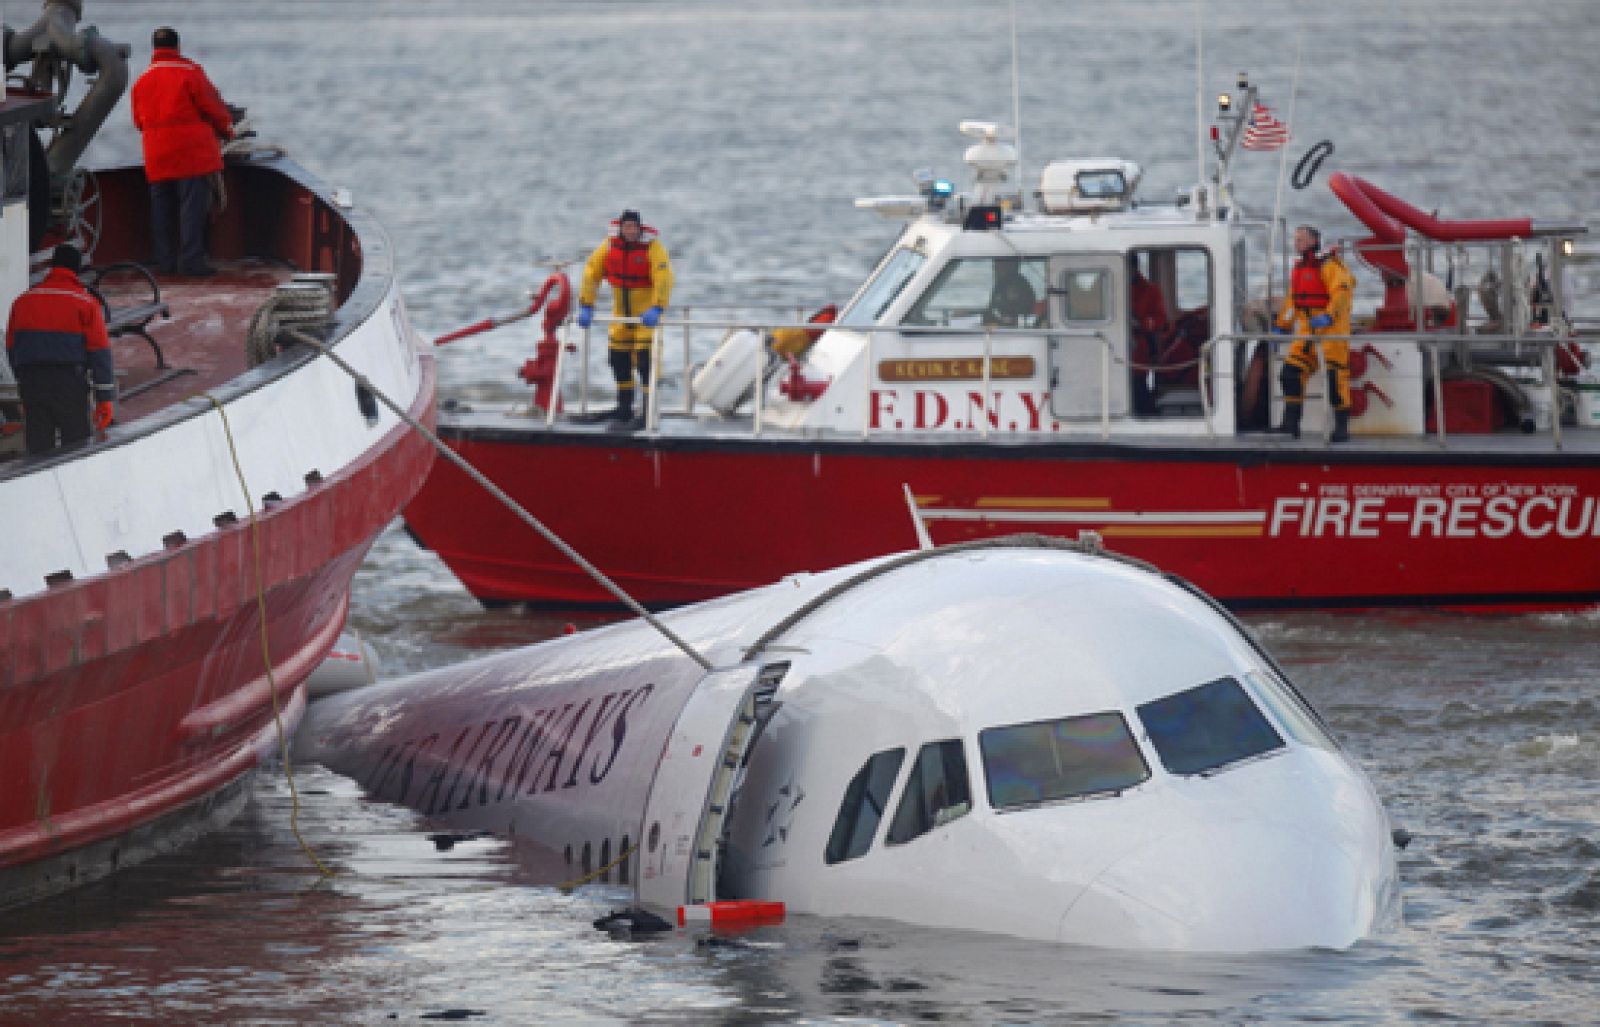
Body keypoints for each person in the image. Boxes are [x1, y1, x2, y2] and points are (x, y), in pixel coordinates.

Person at [130, 26, 234, 276]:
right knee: (192, 209)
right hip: (191, 154)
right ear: (177, 47)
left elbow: (138, 122)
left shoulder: (141, 81)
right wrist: (228, 130)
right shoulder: (190, 72)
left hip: (157, 154)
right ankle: (192, 262)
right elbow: (213, 107)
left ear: (154, 49)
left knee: (162, 210)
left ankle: (165, 262)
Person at [5, 244, 114, 455]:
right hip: (69, 384)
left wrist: (24, 383)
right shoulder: (85, 302)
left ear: (53, 266)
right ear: (77, 270)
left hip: (32, 383)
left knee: (38, 452)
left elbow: (11, 348)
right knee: (76, 450)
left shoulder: (22, 301)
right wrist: (105, 397)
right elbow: (100, 352)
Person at [576, 210, 674, 424]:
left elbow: (663, 277)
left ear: (640, 228)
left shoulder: (653, 248)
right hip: (620, 317)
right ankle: (624, 408)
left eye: (633, 227)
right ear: (620, 228)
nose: (630, 231)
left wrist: (658, 307)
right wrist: (586, 304)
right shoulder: (609, 246)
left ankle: (648, 412)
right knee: (618, 359)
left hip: (646, 317)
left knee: (646, 362)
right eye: (626, 226)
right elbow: (591, 272)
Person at [1274, 225, 1356, 440]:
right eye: (1295, 239)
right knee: (1289, 373)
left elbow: (1342, 293)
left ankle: (1342, 428)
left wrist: (1329, 316)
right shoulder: (1300, 268)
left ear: (1313, 241)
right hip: (1307, 334)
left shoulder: (1330, 265)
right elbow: (1293, 302)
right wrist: (1282, 325)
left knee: (1335, 379)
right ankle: (1290, 424)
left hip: (1332, 333)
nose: (1296, 243)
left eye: (1301, 239)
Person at [1128, 258, 1170, 415]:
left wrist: (1140, 323)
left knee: (1139, 387)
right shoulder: (1107, 287)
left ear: (1134, 267)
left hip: (1139, 348)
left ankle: (1146, 416)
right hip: (1113, 347)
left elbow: (1160, 320)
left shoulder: (1150, 290)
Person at [985, 257, 1037, 327]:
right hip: (1000, 326)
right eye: (994, 266)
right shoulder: (1000, 284)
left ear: (1009, 266)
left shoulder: (1020, 284)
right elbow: (992, 308)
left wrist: (1011, 318)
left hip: (1017, 328)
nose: (995, 269)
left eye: (998, 265)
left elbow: (1026, 309)